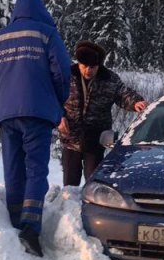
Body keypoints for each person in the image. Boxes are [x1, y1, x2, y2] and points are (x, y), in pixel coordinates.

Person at [0, 0, 72, 257]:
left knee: (13, 167)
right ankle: (31, 227)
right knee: (35, 169)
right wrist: (58, 103)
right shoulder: (46, 34)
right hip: (38, 113)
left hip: (7, 114)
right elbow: (62, 71)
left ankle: (13, 218)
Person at [58, 41, 147, 185]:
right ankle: (69, 207)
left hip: (96, 139)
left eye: (92, 67)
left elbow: (123, 94)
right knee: (69, 185)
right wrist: (58, 117)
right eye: (84, 66)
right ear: (78, 63)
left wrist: (136, 102)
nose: (88, 70)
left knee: (94, 183)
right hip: (70, 138)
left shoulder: (109, 79)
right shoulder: (66, 76)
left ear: (99, 65)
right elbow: (52, 99)